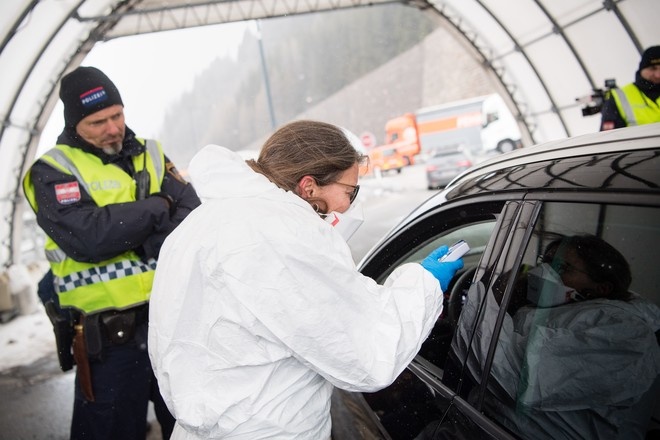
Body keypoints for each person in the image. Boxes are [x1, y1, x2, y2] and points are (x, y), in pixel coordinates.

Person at [148, 120, 465, 439]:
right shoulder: (282, 235)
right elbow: (366, 354)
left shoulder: (200, 224)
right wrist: (424, 284)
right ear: (309, 186)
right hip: (269, 428)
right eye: (349, 192)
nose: (347, 206)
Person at [22, 66, 201, 440]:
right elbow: (89, 238)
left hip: (171, 327)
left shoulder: (151, 153)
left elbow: (192, 216)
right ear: (75, 125)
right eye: (98, 121)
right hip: (108, 344)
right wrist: (156, 207)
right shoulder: (53, 171)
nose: (113, 128)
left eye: (117, 115)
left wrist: (139, 232)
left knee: (195, 427)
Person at [487, 235, 660, 439]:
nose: (545, 273)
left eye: (562, 268)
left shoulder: (624, 331)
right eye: (547, 262)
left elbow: (512, 373)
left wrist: (490, 300)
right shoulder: (558, 309)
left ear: (600, 289)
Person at [600, 45, 660, 130]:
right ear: (641, 69)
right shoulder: (618, 96)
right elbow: (609, 139)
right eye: (652, 68)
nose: (658, 75)